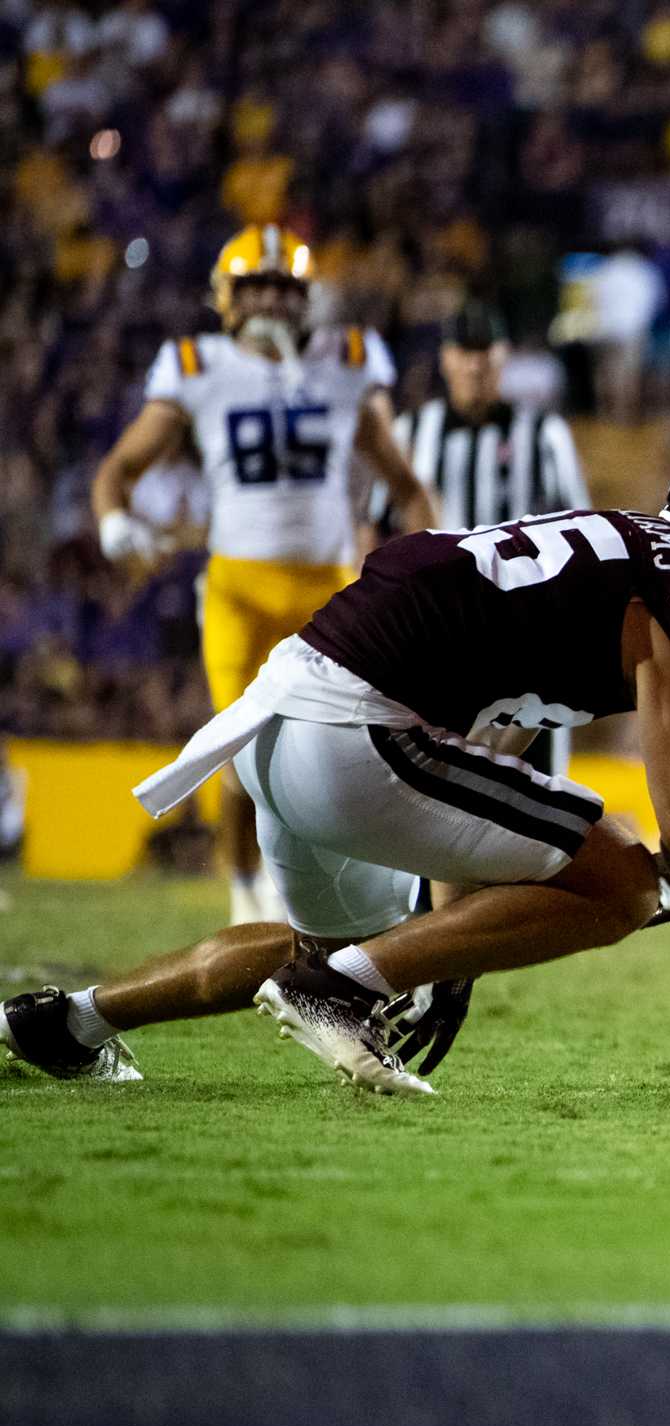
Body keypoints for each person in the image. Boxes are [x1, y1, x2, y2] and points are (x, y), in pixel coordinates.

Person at [1, 429, 670, 1096]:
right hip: (358, 726)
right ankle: (340, 989)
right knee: (625, 880)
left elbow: (494, 743)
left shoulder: (615, 549)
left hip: (278, 714)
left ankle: (69, 1023)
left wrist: (444, 949)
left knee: (337, 947)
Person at [90, 226, 437, 926]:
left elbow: (405, 482)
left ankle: (363, 893)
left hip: (331, 588)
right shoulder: (198, 364)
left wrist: (428, 558)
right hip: (238, 587)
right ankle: (246, 888)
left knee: (360, 738)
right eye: (258, 287)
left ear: (307, 298)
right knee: (239, 749)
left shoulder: (347, 361)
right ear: (228, 296)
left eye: (285, 288)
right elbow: (117, 471)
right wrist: (114, 524)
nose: (273, 302)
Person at [370, 299, 592, 776]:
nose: (474, 363)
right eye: (464, 350)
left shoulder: (545, 433)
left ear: (503, 355)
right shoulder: (411, 432)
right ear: (446, 358)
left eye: (484, 350)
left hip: (527, 629)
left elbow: (581, 531)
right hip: (437, 631)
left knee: (539, 778)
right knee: (438, 774)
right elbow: (376, 528)